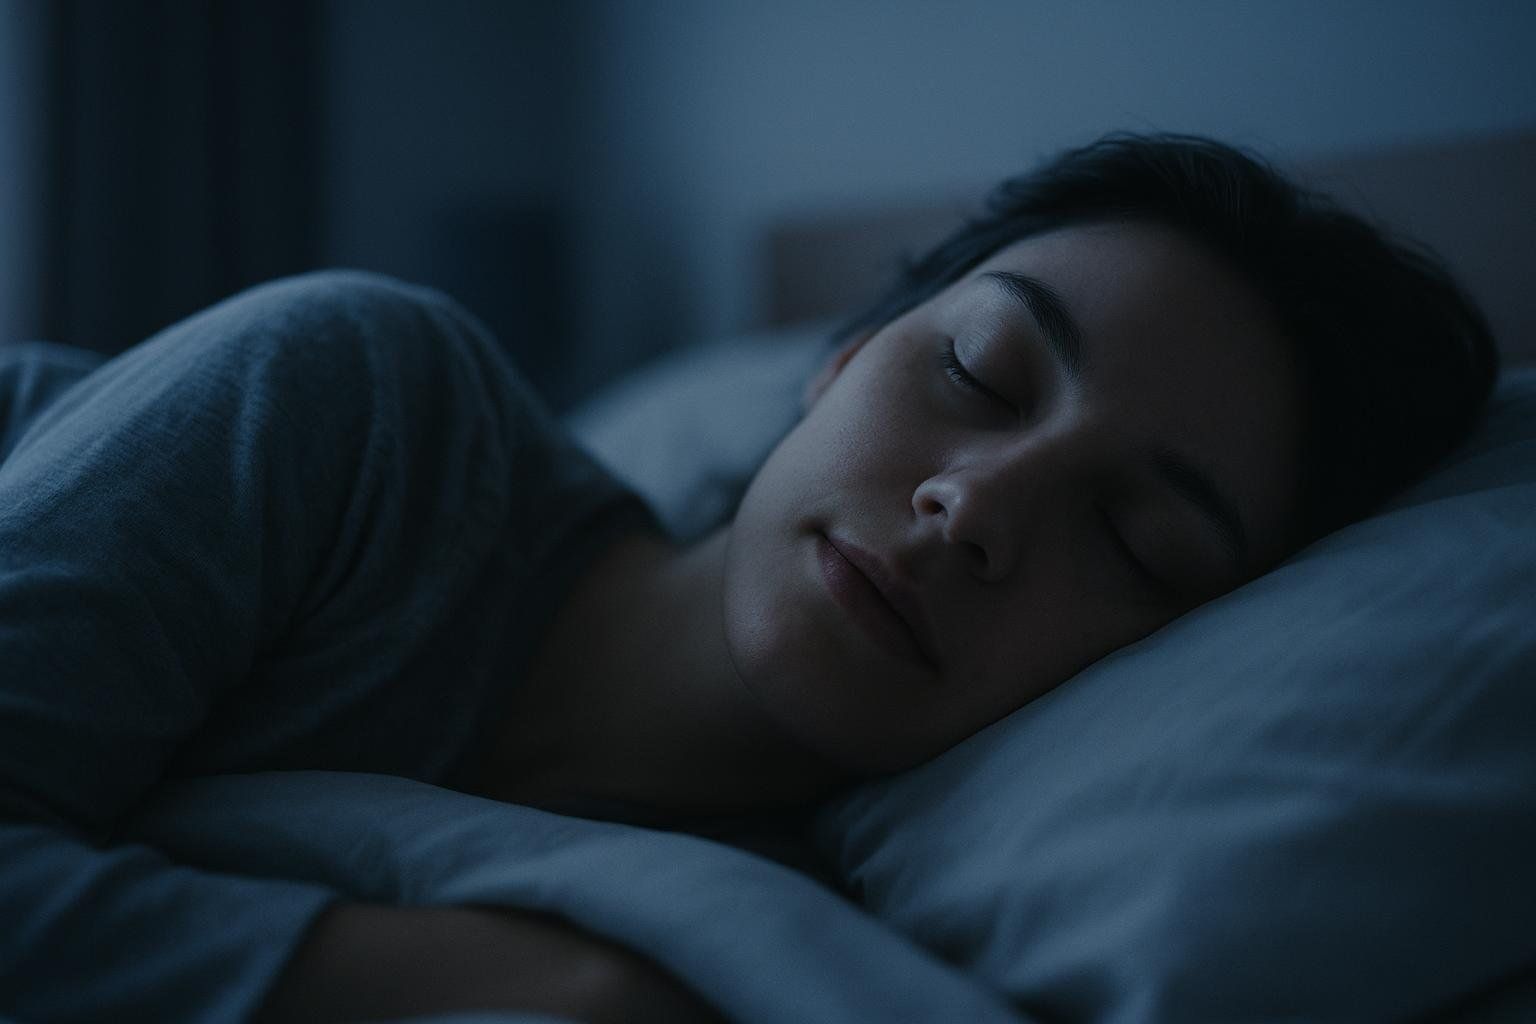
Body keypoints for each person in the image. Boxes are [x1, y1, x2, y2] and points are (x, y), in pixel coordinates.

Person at [0, 133, 1498, 1023]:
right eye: (980, 370)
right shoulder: (366, 408)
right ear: (841, 358)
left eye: (1135, 543)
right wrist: (471, 979)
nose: (974, 507)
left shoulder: (809, 934)